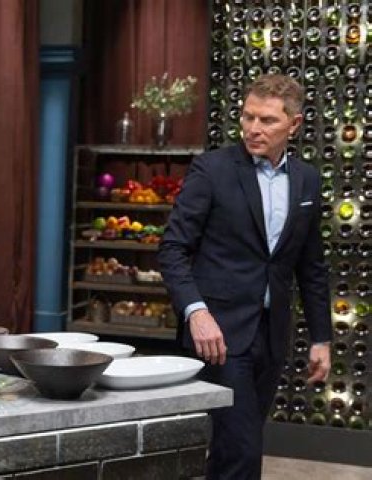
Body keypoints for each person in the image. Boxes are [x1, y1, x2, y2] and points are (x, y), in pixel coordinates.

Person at [157, 74, 331, 479]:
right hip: (218, 335)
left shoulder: (307, 179)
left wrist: (321, 337)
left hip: (271, 335)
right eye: (248, 117)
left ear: (294, 124)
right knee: (243, 451)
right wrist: (196, 312)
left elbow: (311, 266)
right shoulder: (212, 169)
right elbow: (172, 248)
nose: (254, 128)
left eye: (267, 120)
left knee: (229, 451)